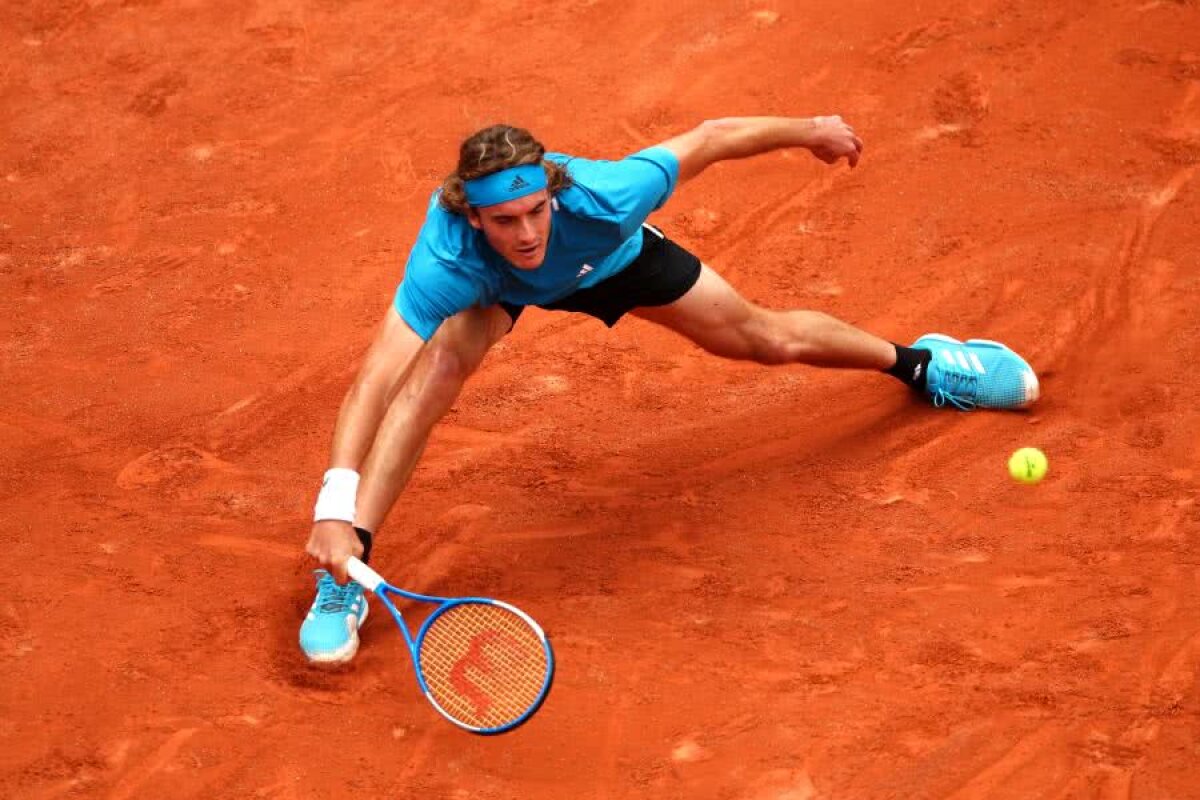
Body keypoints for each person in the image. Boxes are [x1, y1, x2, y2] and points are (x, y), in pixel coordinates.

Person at [298, 116, 1039, 663]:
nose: (525, 232)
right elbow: (373, 382)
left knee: (765, 339)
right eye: (504, 220)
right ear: (471, 216)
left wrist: (811, 130)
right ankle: (347, 567)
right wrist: (331, 509)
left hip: (608, 262)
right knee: (434, 376)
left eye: (534, 212)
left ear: (553, 195)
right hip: (496, 292)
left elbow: (710, 138)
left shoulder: (606, 197)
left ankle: (924, 363)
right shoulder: (450, 257)